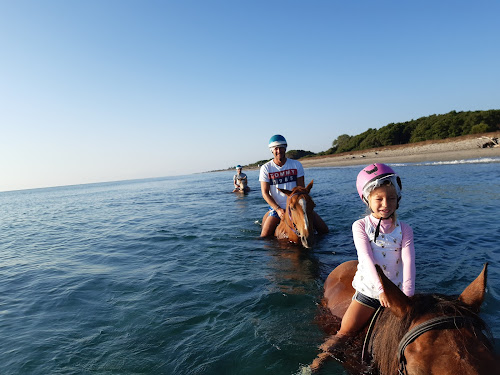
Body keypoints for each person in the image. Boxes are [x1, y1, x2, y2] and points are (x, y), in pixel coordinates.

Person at [311, 163, 415, 370]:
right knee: (343, 333)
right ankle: (314, 365)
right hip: (369, 291)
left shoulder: (405, 229)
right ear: (367, 200)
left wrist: (407, 295)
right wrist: (380, 290)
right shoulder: (360, 226)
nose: (386, 204)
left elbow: (409, 261)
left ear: (398, 199)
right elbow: (366, 259)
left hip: (397, 293)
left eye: (391, 198)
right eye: (379, 199)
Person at [259, 134, 328, 237]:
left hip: (297, 206)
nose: (279, 151)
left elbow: (301, 190)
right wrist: (278, 209)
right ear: (272, 150)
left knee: (325, 231)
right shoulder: (266, 168)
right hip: (277, 208)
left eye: (281, 148)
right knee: (264, 236)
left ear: (285, 148)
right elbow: (265, 193)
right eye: (276, 149)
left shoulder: (296, 165)